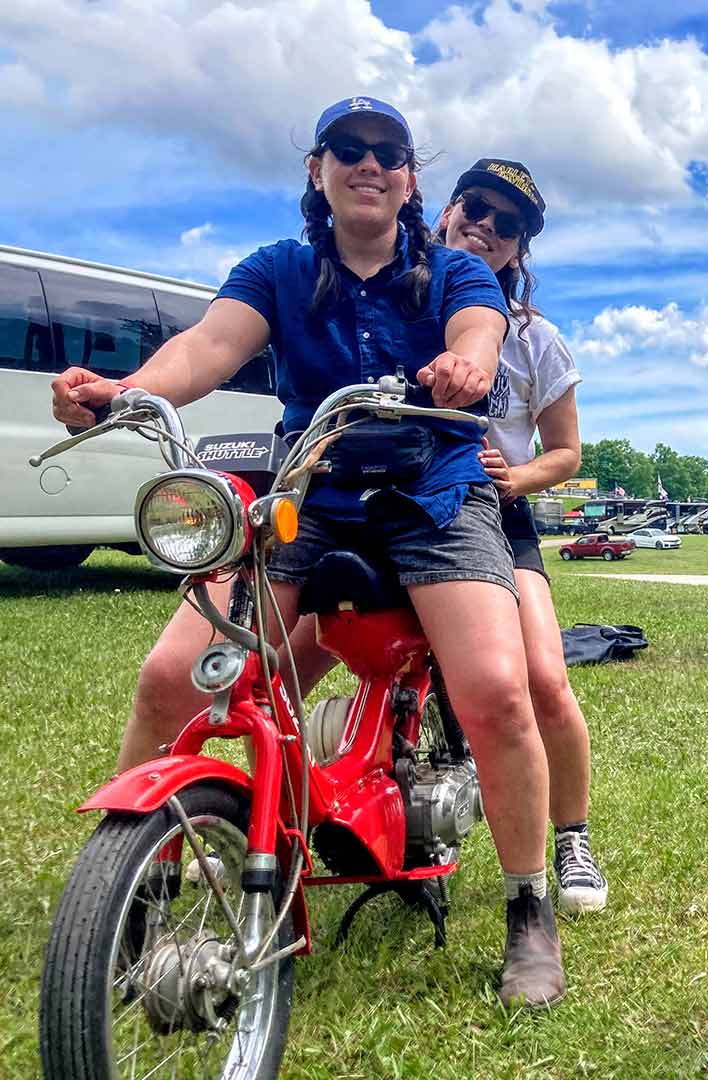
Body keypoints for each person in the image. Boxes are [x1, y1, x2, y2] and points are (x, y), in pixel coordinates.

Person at [51, 97, 565, 1008]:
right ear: (318, 169)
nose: (369, 165)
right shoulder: (278, 271)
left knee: (494, 688)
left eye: (388, 153)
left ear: (410, 179)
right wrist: (123, 389)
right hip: (312, 497)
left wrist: (469, 367)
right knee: (175, 676)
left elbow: (477, 334)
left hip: (435, 496)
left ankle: (530, 908)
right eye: (349, 150)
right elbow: (208, 347)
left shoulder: (453, 273)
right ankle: (139, 887)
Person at [287, 158, 608, 915]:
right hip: (381, 500)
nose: (487, 228)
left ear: (519, 248)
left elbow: (567, 451)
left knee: (540, 677)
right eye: (477, 208)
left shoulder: (536, 341)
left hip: (489, 508)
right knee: (284, 659)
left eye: (509, 226)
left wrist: (518, 479)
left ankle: (571, 838)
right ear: (447, 205)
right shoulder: (389, 293)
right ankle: (265, 818)